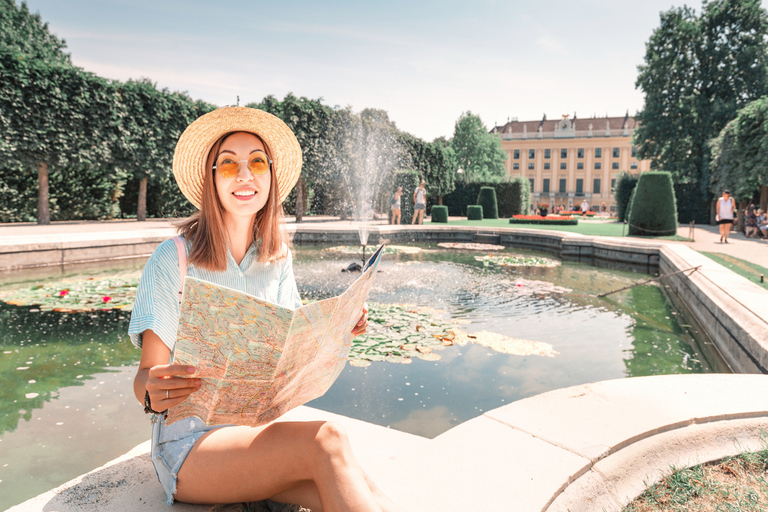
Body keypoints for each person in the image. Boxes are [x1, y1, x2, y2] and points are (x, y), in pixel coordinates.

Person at [130, 107, 403, 511]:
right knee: (327, 440)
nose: (245, 175)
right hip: (189, 444)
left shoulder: (277, 259)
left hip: (254, 432)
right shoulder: (174, 259)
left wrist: (338, 325)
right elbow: (144, 380)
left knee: (363, 488)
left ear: (271, 176)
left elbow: (294, 339)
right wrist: (153, 389)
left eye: (257, 161)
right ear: (211, 179)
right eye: (228, 165)